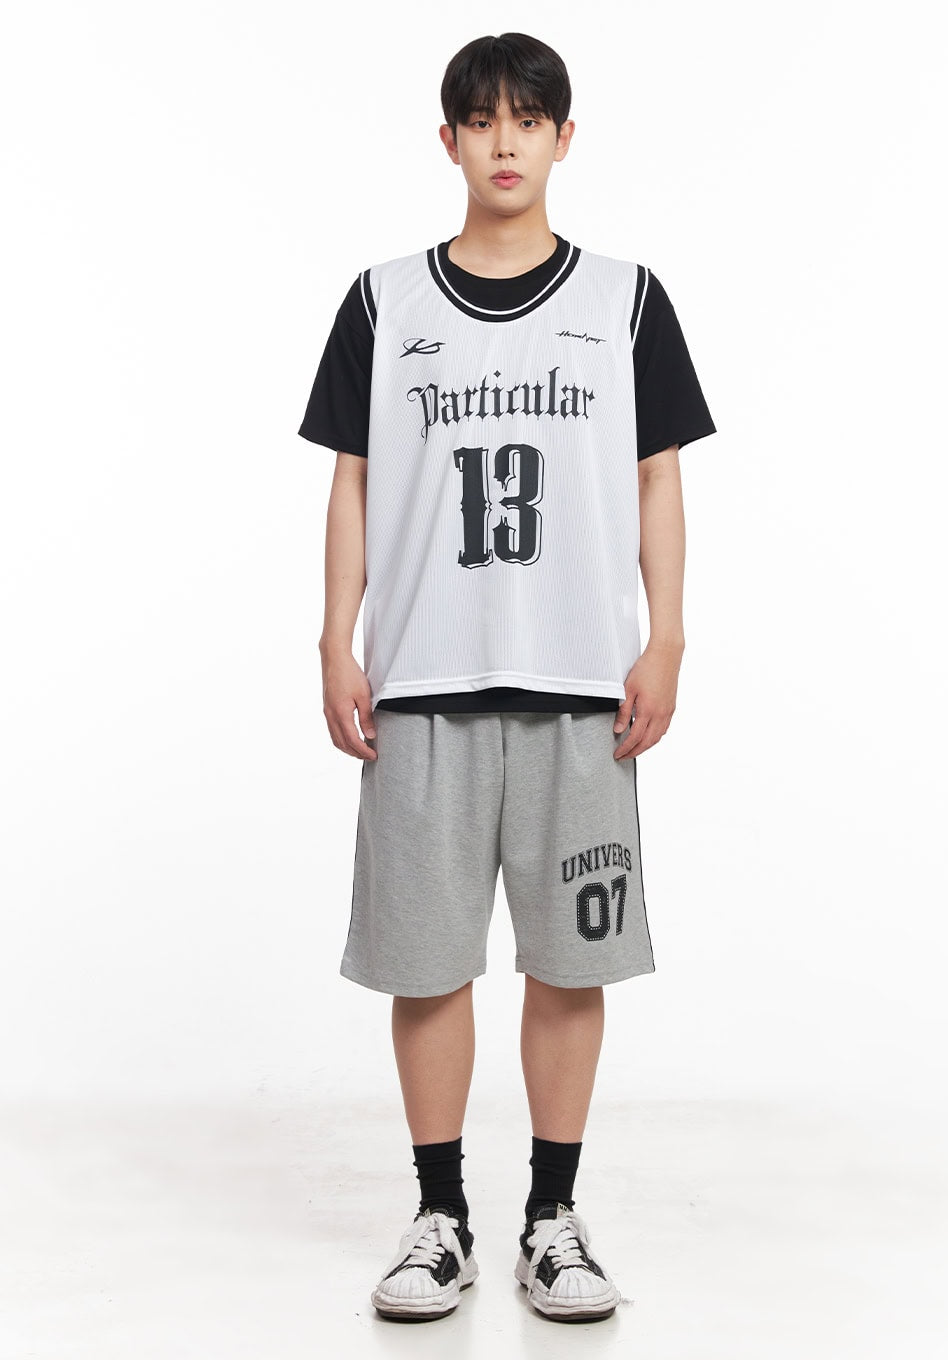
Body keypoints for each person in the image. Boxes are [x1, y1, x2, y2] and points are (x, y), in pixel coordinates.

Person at [297, 31, 716, 1324]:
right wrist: (335, 635)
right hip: (424, 676)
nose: (505, 142)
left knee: (570, 963)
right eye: (480, 120)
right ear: (448, 141)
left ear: (564, 138)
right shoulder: (384, 303)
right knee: (426, 962)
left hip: (579, 683)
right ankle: (441, 1216)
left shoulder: (625, 299)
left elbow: (657, 473)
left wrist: (666, 637)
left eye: (528, 119)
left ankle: (552, 1218)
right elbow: (354, 477)